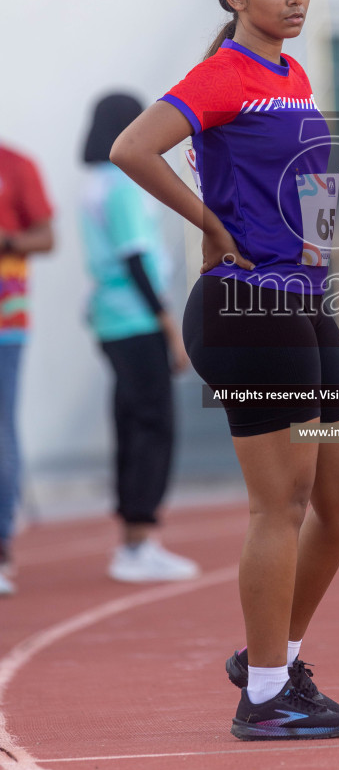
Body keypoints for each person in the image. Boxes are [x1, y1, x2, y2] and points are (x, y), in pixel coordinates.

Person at [110, 0, 339, 740]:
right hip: (247, 306)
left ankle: (272, 658)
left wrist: (324, 245)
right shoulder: (221, 75)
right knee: (282, 501)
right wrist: (211, 224)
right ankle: (263, 697)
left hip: (303, 303)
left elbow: (316, 172)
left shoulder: (291, 74)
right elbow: (132, 148)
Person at [81, 93, 199, 584]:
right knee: (152, 427)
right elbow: (135, 259)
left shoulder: (92, 185)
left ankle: (133, 538)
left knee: (132, 424)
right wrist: (170, 325)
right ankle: (138, 541)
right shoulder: (123, 185)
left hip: (111, 321)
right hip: (137, 320)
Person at [0, 143, 55, 595]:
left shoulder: (16, 165)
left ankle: (1, 547)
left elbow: (46, 236)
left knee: (0, 430)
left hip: (4, 323)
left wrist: (5, 240)